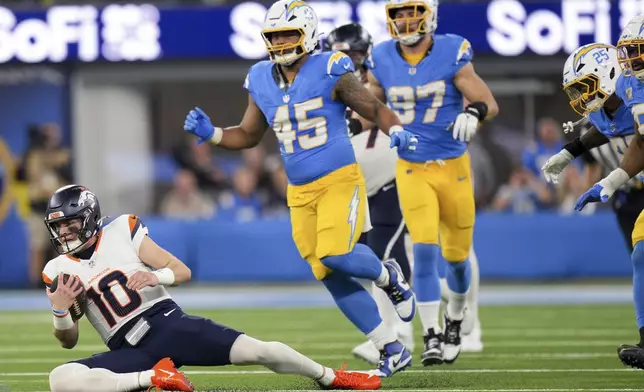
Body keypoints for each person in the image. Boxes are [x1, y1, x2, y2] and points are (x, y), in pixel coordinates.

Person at [183, 0, 418, 378]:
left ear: (308, 34)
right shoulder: (260, 76)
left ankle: (388, 275)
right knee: (326, 272)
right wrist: (211, 134)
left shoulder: (330, 67)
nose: (281, 42)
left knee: (335, 252)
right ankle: (389, 347)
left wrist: (399, 130)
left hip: (339, 178)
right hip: (300, 191)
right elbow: (247, 135)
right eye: (275, 36)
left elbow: (373, 109)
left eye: (289, 34)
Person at [43, 185, 382, 391]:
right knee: (60, 378)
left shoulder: (122, 230)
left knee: (261, 351)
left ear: (88, 217)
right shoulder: (56, 269)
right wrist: (60, 311)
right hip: (130, 352)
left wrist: (154, 277)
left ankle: (332, 378)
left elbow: (181, 270)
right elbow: (67, 341)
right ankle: (154, 379)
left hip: (170, 326)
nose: (65, 233)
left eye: (69, 224)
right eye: (58, 227)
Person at [356, 0, 498, 366]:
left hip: (453, 166)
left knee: (457, 259)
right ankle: (431, 335)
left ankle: (455, 319)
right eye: (399, 13)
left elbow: (488, 102)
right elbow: (373, 106)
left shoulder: (452, 50)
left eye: (412, 11)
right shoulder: (382, 56)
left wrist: (473, 111)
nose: (405, 19)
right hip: (411, 167)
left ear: (429, 12)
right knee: (422, 250)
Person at [574, 16, 644, 369]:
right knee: (641, 251)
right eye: (629, 52)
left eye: (638, 52)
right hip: (633, 190)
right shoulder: (634, 87)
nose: (632, 60)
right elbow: (639, 141)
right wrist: (610, 181)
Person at [542, 43, 644, 249]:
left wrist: (610, 182)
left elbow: (640, 141)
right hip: (627, 193)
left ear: (608, 72)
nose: (582, 96)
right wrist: (569, 152)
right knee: (638, 255)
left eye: (585, 86)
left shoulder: (636, 91)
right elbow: (608, 127)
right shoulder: (602, 109)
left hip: (629, 182)